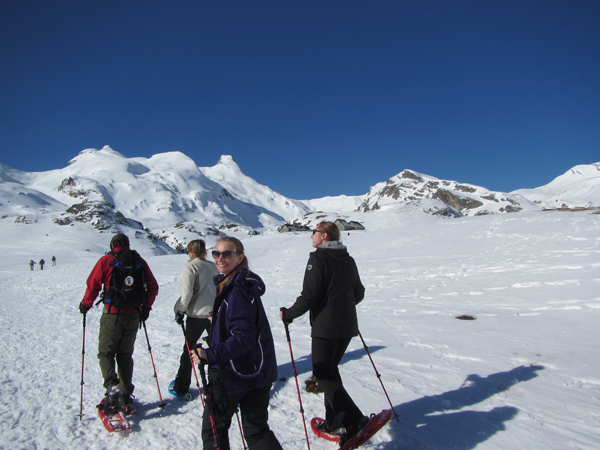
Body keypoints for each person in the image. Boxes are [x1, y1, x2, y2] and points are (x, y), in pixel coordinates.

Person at [280, 221, 367, 446]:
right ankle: (333, 421)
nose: (311, 237)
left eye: (314, 232)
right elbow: (358, 293)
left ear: (325, 236)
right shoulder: (348, 259)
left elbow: (309, 295)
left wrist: (289, 314)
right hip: (347, 325)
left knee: (323, 373)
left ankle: (354, 419)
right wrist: (342, 306)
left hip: (326, 327)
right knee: (330, 371)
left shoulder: (318, 258)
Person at [192, 237, 282, 450]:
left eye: (227, 254)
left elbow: (244, 338)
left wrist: (210, 355)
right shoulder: (238, 284)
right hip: (256, 371)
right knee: (256, 430)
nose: (220, 258)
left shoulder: (237, 290)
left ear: (239, 257)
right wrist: (221, 320)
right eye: (216, 253)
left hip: (234, 376)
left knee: (214, 429)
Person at [78, 233, 159, 415]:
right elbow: (153, 286)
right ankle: (125, 394)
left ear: (112, 244)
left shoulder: (106, 260)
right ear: (128, 245)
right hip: (134, 315)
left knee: (106, 352)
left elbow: (93, 285)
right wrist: (146, 308)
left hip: (112, 315)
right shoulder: (139, 261)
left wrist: (85, 305)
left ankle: (112, 387)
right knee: (124, 355)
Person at [170, 239, 218, 398]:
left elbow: (187, 294)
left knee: (189, 351)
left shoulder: (190, 267)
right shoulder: (212, 266)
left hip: (196, 315)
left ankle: (181, 386)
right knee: (217, 349)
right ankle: (220, 383)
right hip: (213, 314)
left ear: (191, 251)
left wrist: (180, 310)